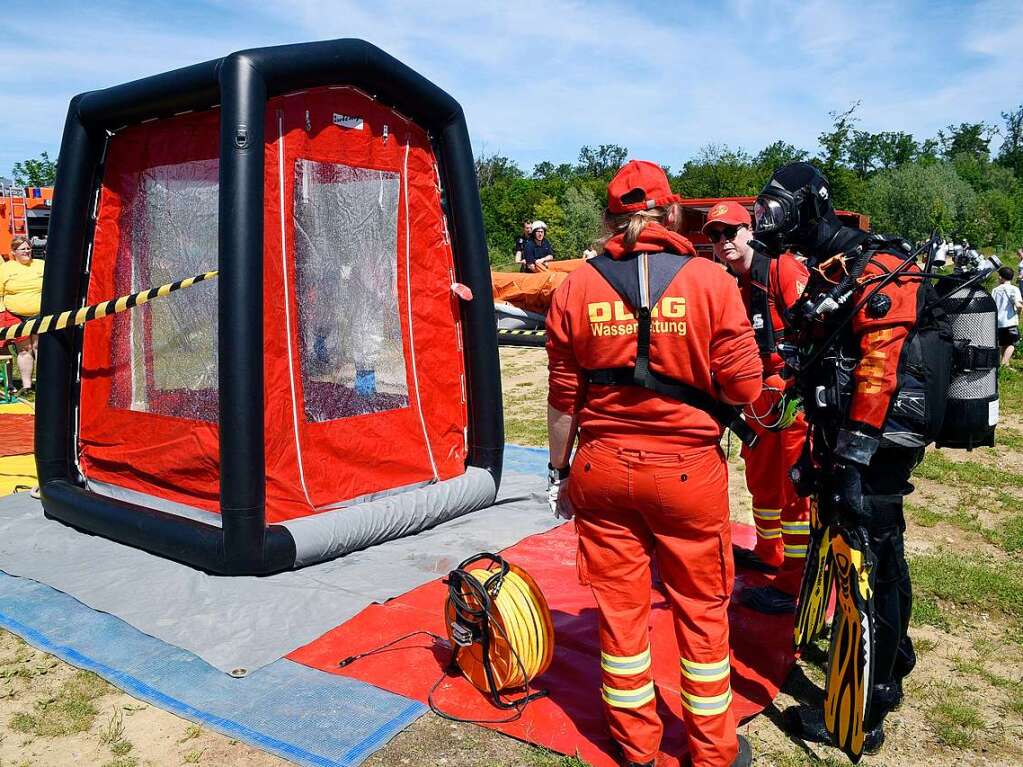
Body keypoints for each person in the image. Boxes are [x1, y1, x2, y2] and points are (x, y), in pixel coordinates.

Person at [545, 160, 760, 767]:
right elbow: (744, 391)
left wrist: (561, 472)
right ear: (671, 211)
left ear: (611, 217)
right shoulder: (712, 282)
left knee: (621, 620)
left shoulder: (575, 286)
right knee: (702, 615)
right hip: (688, 473)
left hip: (602, 469)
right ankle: (714, 752)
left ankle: (637, 748)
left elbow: (564, 399)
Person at [753, 161, 926, 757]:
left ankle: (868, 705)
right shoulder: (831, 272)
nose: (768, 223)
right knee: (883, 548)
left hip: (874, 445)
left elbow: (878, 369)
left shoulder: (878, 268)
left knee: (869, 561)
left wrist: (850, 462)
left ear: (811, 208)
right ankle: (894, 658)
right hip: (847, 439)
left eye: (777, 210)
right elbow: (817, 358)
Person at [702, 201, 811, 613]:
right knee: (761, 480)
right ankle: (769, 554)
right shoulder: (737, 284)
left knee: (793, 488)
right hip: (757, 397)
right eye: (715, 235)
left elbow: (813, 334)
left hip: (791, 396)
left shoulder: (781, 270)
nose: (723, 241)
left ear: (749, 230)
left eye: (730, 231)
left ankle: (792, 585)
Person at [0, 236, 45, 393]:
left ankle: (44, 383)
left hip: (39, 313)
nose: (27, 251)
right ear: (14, 252)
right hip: (16, 315)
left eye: (28, 248)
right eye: (23, 249)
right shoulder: (5, 268)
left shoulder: (41, 265)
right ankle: (27, 386)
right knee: (24, 349)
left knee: (39, 347)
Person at [993, 266, 1022, 364]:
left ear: (1001, 277)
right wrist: (1019, 312)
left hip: (998, 321)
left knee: (1003, 343)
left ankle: (1006, 363)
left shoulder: (995, 290)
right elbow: (1019, 305)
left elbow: (992, 305)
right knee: (1012, 343)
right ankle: (1004, 363)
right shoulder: (1014, 289)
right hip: (1010, 321)